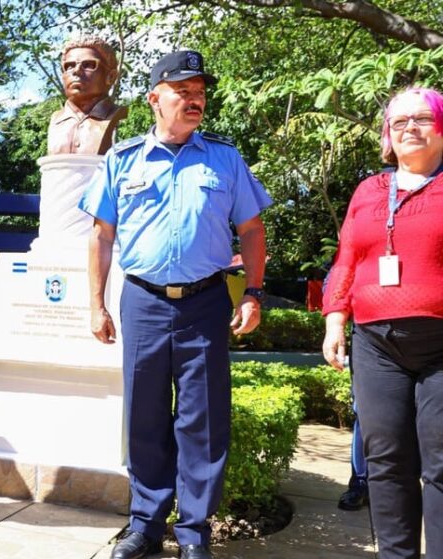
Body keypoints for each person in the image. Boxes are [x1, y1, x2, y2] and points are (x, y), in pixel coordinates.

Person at [80, 50, 271, 559]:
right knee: (144, 417)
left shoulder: (225, 159)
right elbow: (101, 238)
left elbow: (252, 230)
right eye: (183, 91)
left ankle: (193, 533)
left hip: (205, 305)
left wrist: (252, 292)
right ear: (154, 98)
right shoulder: (122, 161)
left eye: (200, 93)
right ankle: (144, 525)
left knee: (202, 421)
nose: (194, 100)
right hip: (142, 302)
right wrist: (96, 305)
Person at [322, 86, 443, 558]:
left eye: (422, 119)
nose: (409, 128)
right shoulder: (370, 190)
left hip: (440, 343)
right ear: (387, 136)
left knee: (440, 464)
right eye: (398, 122)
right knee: (386, 462)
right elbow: (347, 258)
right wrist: (335, 320)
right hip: (375, 343)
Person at [47, 34, 128, 156]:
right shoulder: (56, 119)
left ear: (110, 77)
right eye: (69, 66)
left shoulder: (118, 117)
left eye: (89, 65)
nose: (76, 70)